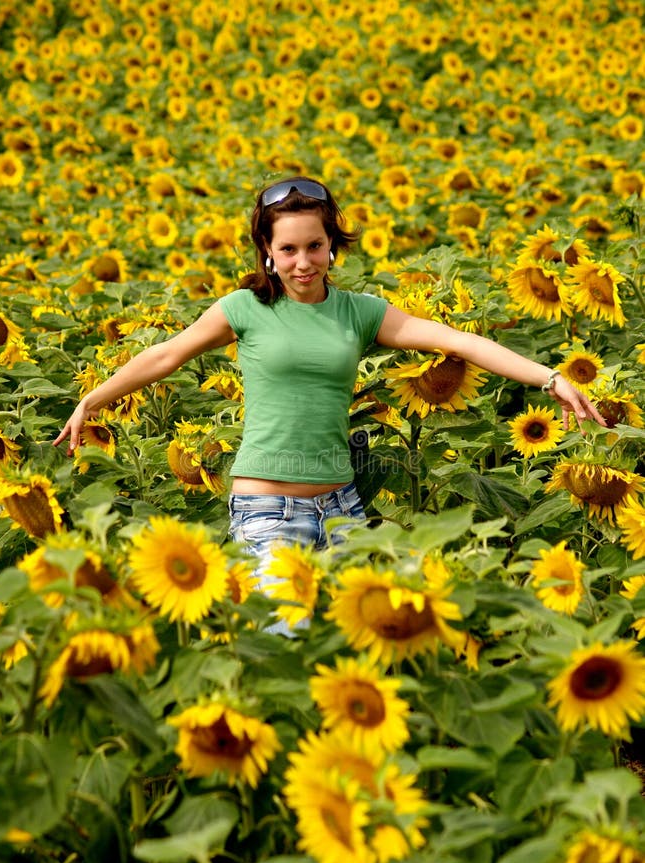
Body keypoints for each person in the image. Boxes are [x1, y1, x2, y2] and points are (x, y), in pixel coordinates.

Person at [54, 176, 606, 628]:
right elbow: (163, 357)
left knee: (357, 645)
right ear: (267, 252)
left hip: (342, 509)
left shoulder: (359, 312)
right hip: (266, 513)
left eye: (314, 246)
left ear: (332, 246)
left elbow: (456, 340)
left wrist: (549, 377)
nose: (302, 262)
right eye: (288, 249)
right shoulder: (244, 309)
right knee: (283, 642)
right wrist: (92, 400)